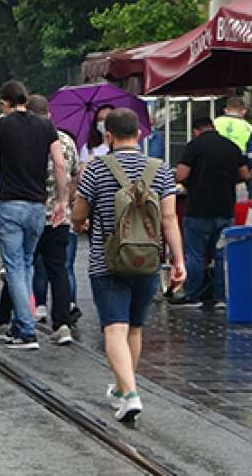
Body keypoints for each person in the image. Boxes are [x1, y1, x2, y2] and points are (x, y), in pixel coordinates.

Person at [72, 108, 185, 423]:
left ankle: (130, 393)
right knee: (134, 328)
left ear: (108, 137)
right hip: (148, 260)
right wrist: (178, 260)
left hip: (106, 262)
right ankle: (123, 389)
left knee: (114, 328)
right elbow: (169, 218)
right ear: (139, 134)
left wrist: (79, 222)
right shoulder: (160, 170)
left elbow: (79, 215)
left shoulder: (96, 169)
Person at [0, 95, 78, 347]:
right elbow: (71, 173)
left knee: (19, 267)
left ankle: (21, 324)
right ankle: (62, 323)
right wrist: (64, 201)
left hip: (22, 206)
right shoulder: (65, 141)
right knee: (57, 269)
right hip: (55, 215)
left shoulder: (16, 133)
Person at [171, 117, 250, 307]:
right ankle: (221, 297)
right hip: (225, 208)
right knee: (222, 254)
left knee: (196, 255)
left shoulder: (194, 146)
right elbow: (245, 174)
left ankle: (194, 295)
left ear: (195, 130)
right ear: (213, 127)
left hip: (198, 208)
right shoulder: (231, 146)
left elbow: (181, 175)